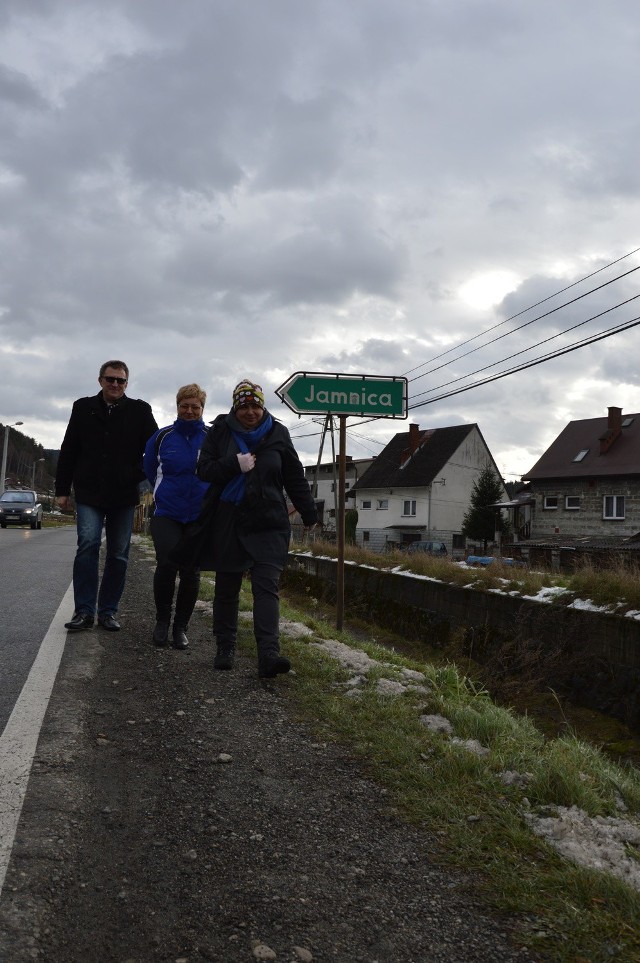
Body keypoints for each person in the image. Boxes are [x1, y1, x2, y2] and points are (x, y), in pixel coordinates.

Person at [196, 379, 317, 678]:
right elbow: (204, 470)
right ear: (235, 408)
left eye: (256, 406)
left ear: (263, 407)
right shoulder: (220, 431)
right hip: (229, 519)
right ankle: (225, 647)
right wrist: (233, 465)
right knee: (227, 588)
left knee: (266, 587)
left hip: (268, 521)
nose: (251, 412)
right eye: (244, 406)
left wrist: (309, 511)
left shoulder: (278, 434)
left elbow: (294, 477)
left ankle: (268, 654)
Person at [56, 360, 158, 632]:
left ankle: (108, 612)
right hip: (89, 490)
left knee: (119, 554)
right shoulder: (82, 407)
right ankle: (84, 611)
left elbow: (156, 447)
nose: (115, 384)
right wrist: (62, 490)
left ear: (127, 383)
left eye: (120, 380)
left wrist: (139, 475)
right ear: (100, 380)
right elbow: (68, 449)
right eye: (110, 379)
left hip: (124, 493)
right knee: (88, 544)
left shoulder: (140, 410)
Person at [143, 384, 210, 650]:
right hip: (167, 513)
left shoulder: (212, 438)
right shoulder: (161, 437)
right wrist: (164, 494)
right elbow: (150, 470)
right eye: (185, 406)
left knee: (191, 572)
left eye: (195, 406)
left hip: (199, 515)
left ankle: (180, 627)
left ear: (202, 408)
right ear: (177, 407)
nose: (190, 411)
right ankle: (162, 622)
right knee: (167, 563)